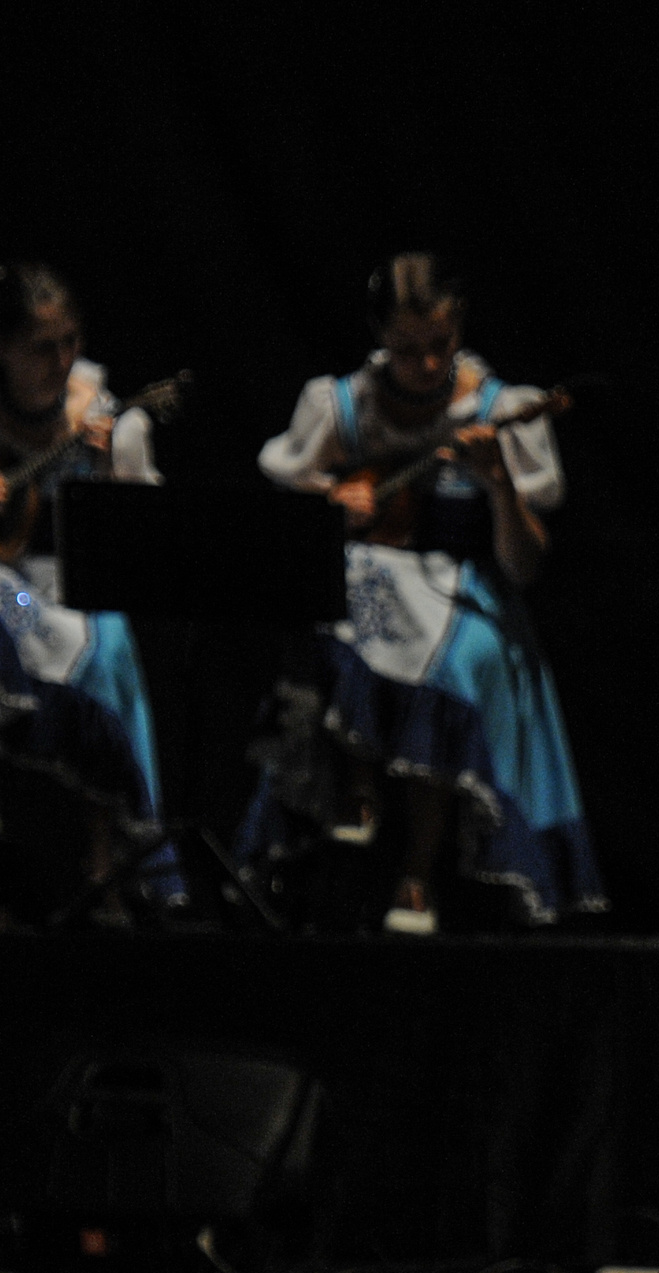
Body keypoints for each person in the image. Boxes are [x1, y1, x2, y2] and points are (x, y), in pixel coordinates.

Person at [242, 253, 604, 932]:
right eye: (407, 351)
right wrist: (332, 498)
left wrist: (498, 482)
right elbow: (286, 487)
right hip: (374, 576)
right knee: (334, 621)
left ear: (459, 327)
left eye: (440, 346)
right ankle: (355, 793)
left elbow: (525, 566)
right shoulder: (344, 405)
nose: (428, 366)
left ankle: (418, 870)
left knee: (458, 667)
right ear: (380, 338)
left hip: (466, 585)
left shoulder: (499, 408)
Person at [0, 261, 180, 917]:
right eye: (40, 347)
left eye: (69, 343)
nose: (60, 360)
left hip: (76, 586)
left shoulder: (100, 410)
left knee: (105, 647)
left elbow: (146, 539)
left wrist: (104, 466)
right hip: (8, 593)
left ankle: (108, 860)